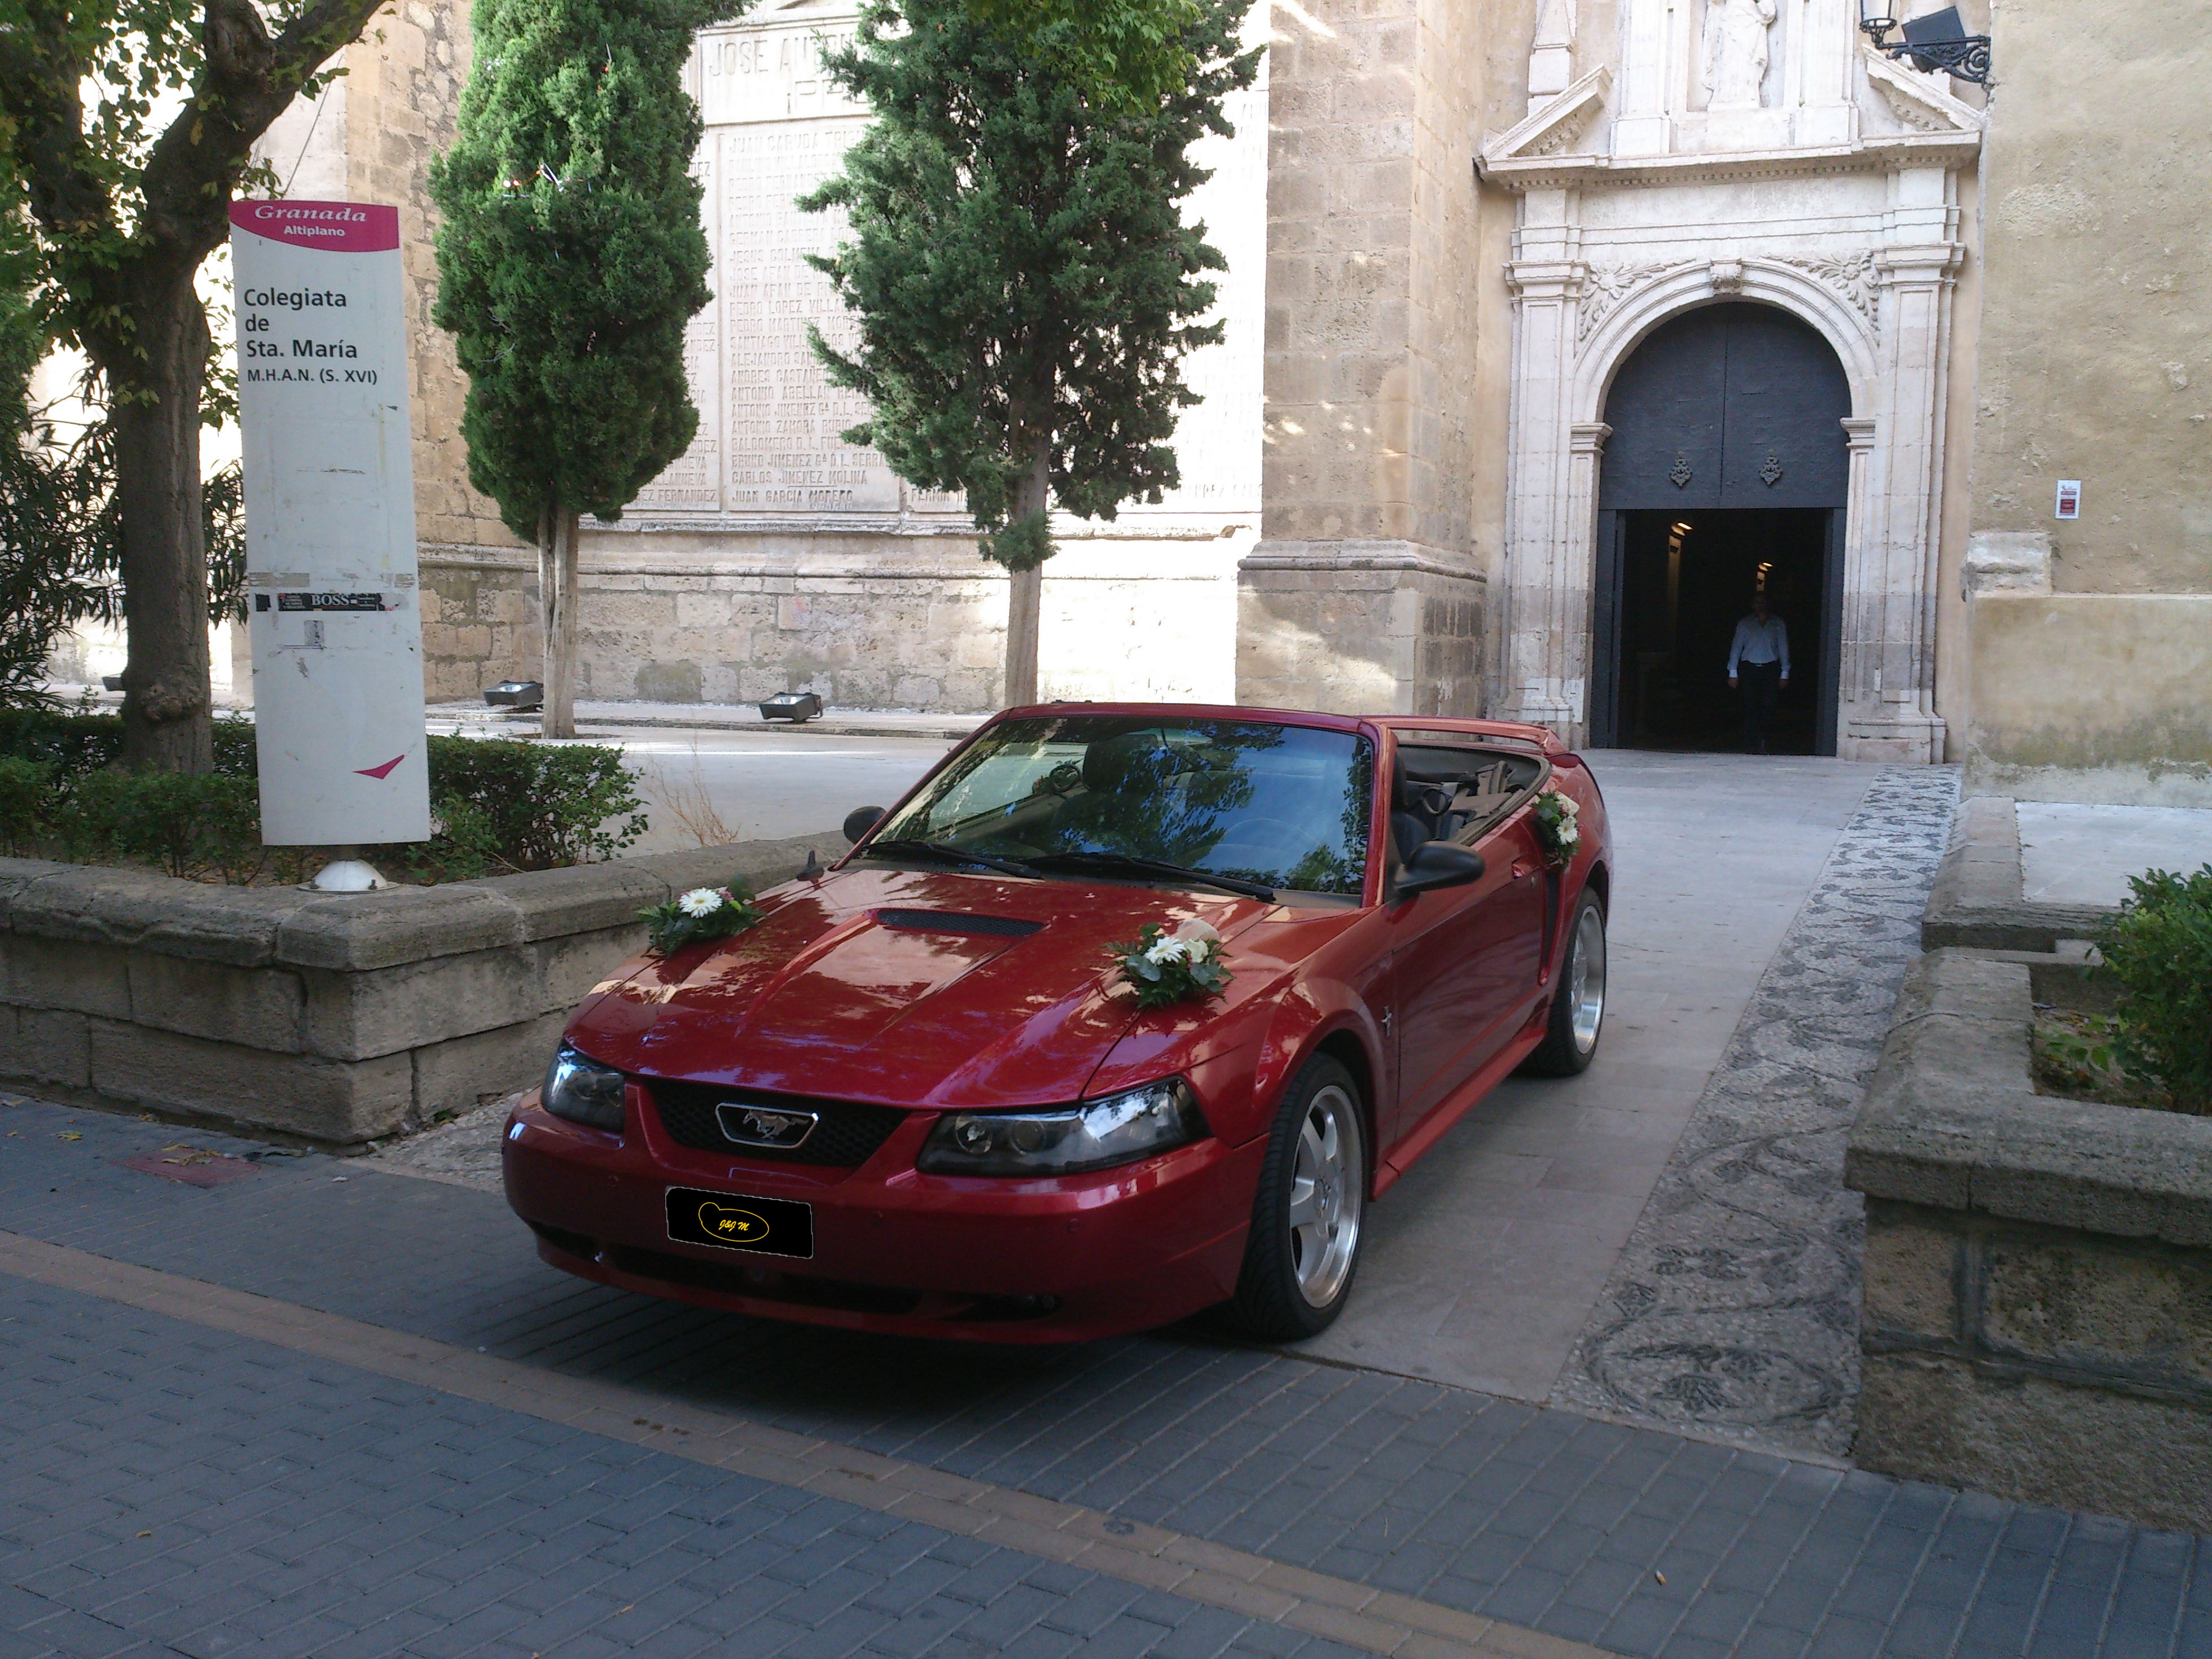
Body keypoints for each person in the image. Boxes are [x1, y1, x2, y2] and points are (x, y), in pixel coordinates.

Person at [1726, 592, 1789, 753]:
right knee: (1750, 706)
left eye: (1763, 602)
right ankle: (1750, 742)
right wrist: (1733, 672)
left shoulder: (1777, 624)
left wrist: (1785, 672)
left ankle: (1765, 740)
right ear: (1752, 605)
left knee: (1768, 706)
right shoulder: (1745, 624)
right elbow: (1737, 647)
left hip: (1770, 669)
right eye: (1757, 602)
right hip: (1749, 668)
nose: (1760, 605)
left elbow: (1783, 647)